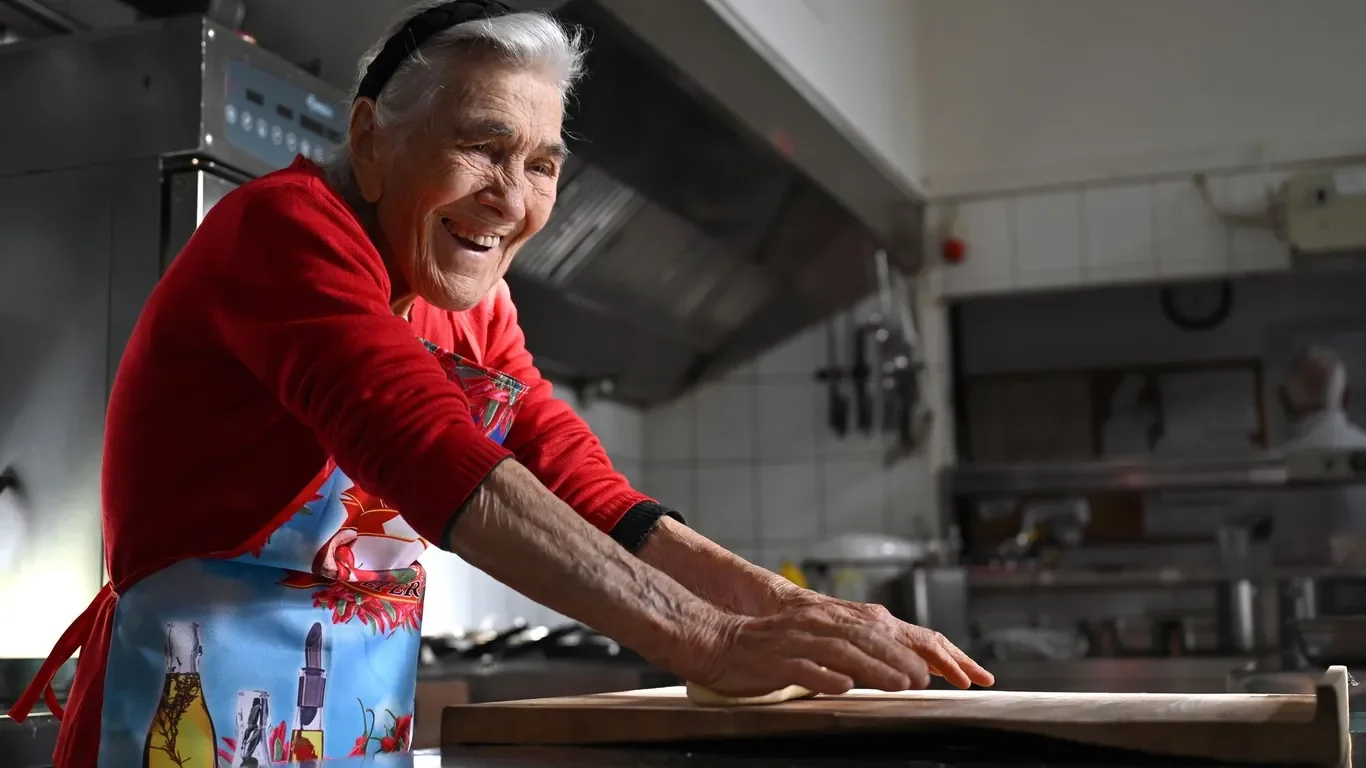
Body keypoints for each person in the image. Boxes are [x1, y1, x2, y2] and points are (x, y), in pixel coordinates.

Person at [10, 1, 991, 764]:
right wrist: (709, 642)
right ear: (371, 141)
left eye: (542, 163)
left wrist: (772, 612)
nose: (513, 200)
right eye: (482, 145)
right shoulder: (287, 234)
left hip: (346, 725)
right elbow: (424, 447)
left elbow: (571, 472)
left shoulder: (471, 299)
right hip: (188, 721)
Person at [1272, 345, 1366, 565]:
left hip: (1301, 590)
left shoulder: (1278, 463)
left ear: (1285, 400)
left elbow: (1233, 515)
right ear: (1347, 396)